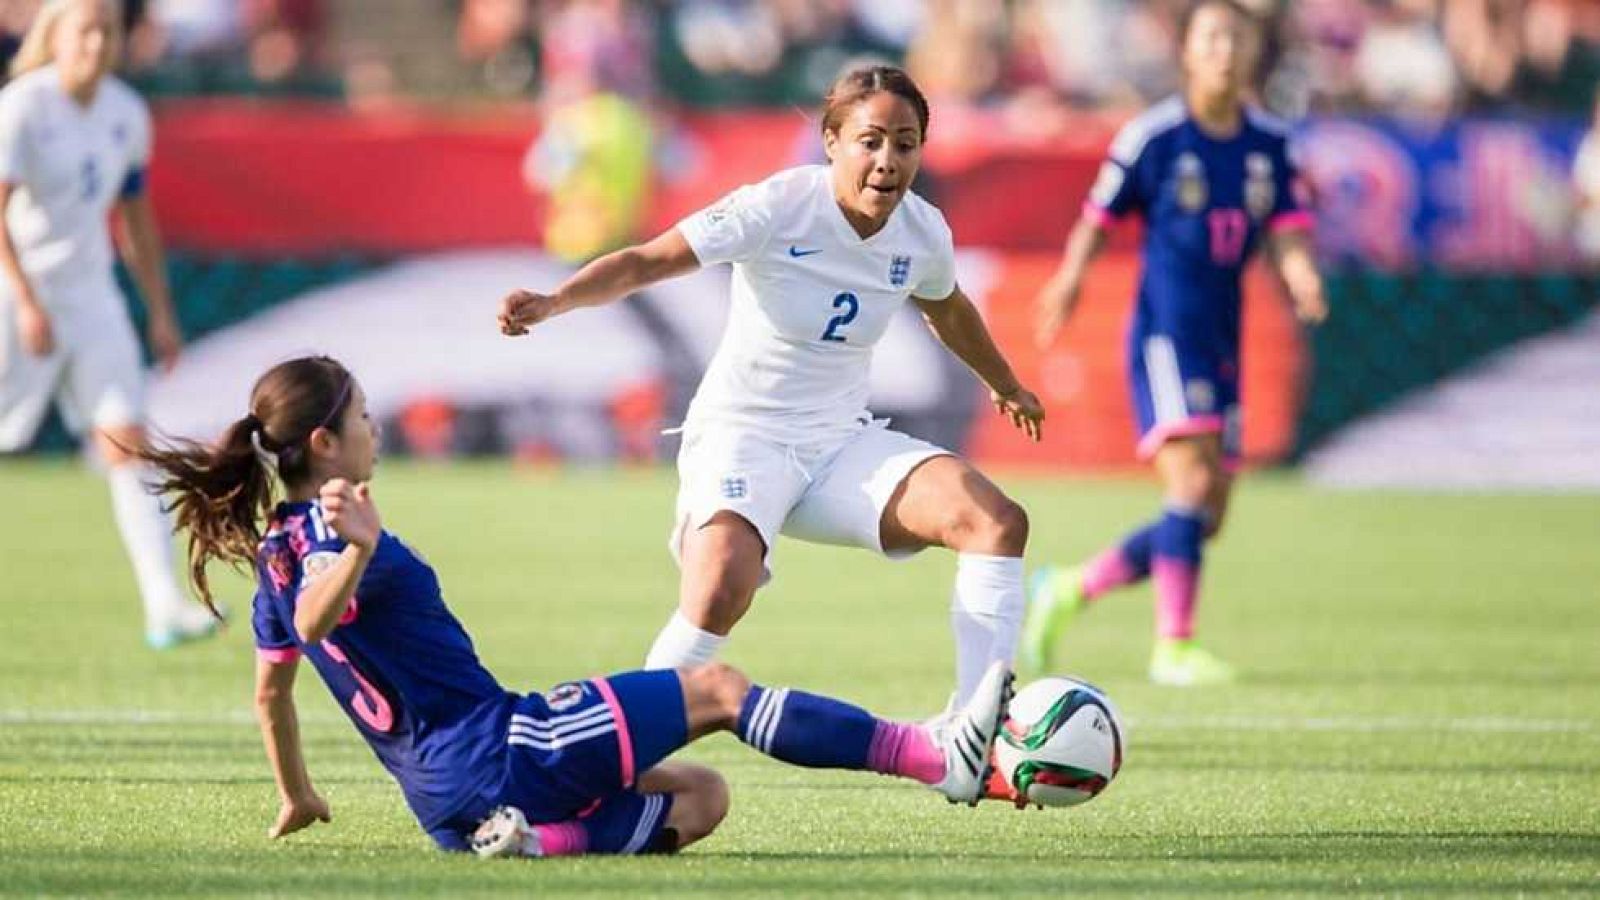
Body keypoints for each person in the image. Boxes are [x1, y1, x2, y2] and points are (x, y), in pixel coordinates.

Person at [136, 355, 1013, 856]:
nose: (375, 427)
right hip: (503, 746)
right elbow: (325, 617)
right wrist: (362, 545)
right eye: (362, 416)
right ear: (324, 443)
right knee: (719, 693)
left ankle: (535, 844)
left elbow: (270, 693)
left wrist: (299, 795)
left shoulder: (277, 554)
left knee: (701, 798)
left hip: (444, 807)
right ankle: (934, 757)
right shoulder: (333, 533)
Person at [498, 65, 1045, 711]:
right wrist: (556, 300)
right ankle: (621, 745)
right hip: (742, 436)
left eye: (906, 143)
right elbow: (649, 259)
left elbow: (947, 307)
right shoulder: (779, 205)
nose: (888, 160)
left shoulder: (922, 230)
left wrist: (1006, 385)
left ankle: (978, 729)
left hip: (839, 444)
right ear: (832, 141)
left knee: (996, 522)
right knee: (720, 591)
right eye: (870, 140)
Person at [1024, 0, 1327, 686]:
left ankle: (1071, 587)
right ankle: (1174, 646)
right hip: (1167, 333)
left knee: (1207, 514)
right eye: (1212, 38)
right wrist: (1069, 281)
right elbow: (1098, 217)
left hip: (1225, 339)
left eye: (1237, 39)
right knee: (1189, 481)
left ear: (1253, 54)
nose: (1225, 50)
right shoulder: (1153, 137)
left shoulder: (1270, 145)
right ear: (1188, 51)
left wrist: (1302, 272)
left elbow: (1287, 224)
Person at [0, 0, 216, 648]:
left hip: (92, 297)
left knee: (126, 439)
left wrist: (160, 310)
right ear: (56, 39)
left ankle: (164, 604)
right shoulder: (23, 107)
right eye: (85, 31)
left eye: (108, 31)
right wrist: (26, 300)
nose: (96, 43)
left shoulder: (126, 112)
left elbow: (137, 217)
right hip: (18, 294)